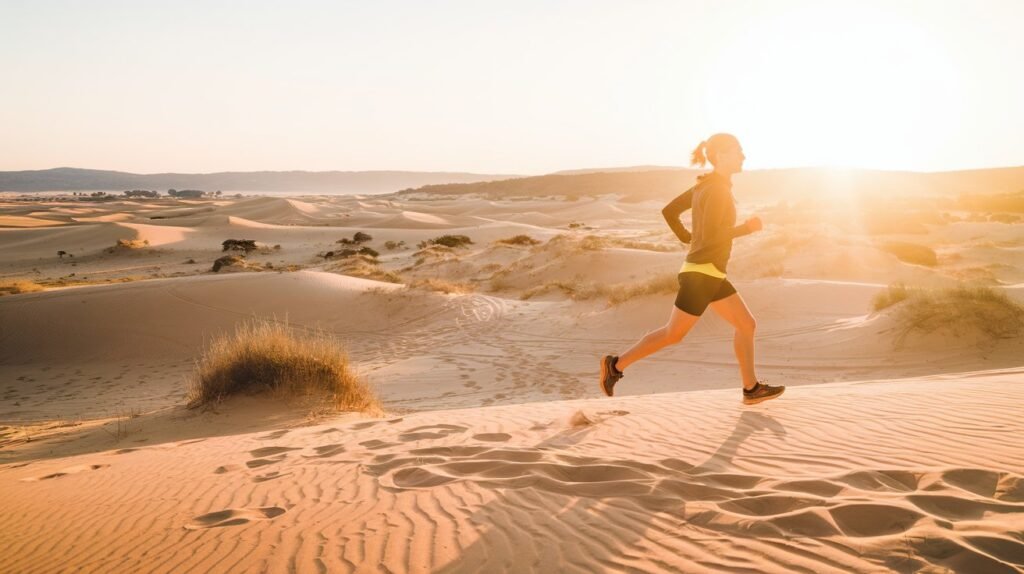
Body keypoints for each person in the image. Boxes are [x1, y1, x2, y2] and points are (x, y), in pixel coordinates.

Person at [599, 133, 784, 405]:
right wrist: (747, 228)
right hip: (703, 273)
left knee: (746, 324)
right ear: (721, 155)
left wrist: (687, 237)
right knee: (673, 334)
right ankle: (615, 366)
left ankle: (750, 388)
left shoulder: (705, 186)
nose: (743, 156)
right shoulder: (717, 189)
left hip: (708, 272)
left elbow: (669, 212)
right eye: (738, 151)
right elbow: (711, 236)